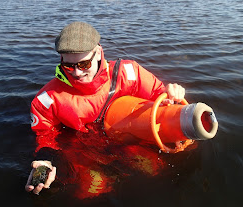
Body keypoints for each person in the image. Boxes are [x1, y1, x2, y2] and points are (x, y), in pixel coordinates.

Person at [25, 21, 185, 195]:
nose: (77, 73)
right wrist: (46, 160)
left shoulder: (129, 73)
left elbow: (158, 95)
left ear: (99, 53)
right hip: (82, 152)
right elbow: (45, 134)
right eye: (69, 66)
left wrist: (172, 95)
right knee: (91, 193)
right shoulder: (47, 99)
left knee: (157, 170)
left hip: (126, 139)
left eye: (84, 64)